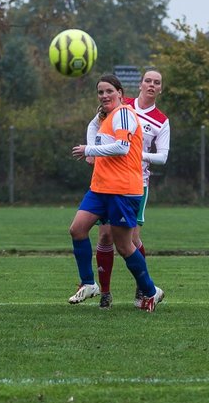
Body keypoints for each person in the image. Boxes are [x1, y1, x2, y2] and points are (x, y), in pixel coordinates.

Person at [67, 73, 165, 312]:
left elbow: (122, 148)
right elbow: (92, 126)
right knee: (77, 229)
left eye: (109, 91)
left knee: (124, 246)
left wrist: (90, 149)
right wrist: (92, 151)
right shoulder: (106, 115)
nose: (104, 95)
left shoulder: (123, 114)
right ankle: (90, 284)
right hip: (100, 187)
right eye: (100, 92)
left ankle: (151, 291)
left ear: (120, 93)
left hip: (122, 190)